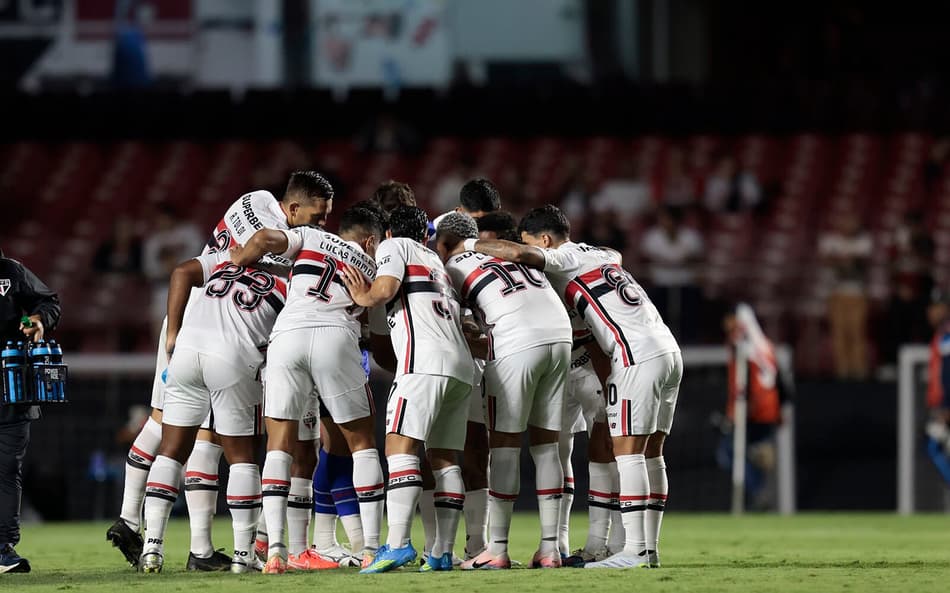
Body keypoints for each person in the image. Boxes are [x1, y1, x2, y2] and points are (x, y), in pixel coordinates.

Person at [106, 171, 334, 569]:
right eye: (316, 218)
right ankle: (233, 551)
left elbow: (203, 262)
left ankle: (162, 541)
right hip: (226, 325)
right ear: (294, 208)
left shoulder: (254, 200)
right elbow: (269, 248)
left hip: (197, 306)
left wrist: (173, 333)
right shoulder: (292, 256)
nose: (319, 227)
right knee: (213, 442)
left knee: (174, 431)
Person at [464, 204, 682, 569]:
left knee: (627, 452)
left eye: (535, 243)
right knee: (651, 454)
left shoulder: (561, 258)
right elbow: (614, 255)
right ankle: (647, 549)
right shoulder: (602, 253)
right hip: (667, 348)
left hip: (632, 355)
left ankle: (634, 551)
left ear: (545, 240)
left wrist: (467, 242)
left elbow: (519, 253)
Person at [230, 207, 386, 574]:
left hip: (287, 336)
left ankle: (276, 553)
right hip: (335, 335)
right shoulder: (371, 266)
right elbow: (378, 340)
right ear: (370, 241)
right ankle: (371, 550)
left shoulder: (311, 236)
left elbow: (267, 239)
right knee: (361, 444)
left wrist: (240, 257)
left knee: (278, 446)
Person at [138, 246, 288, 574]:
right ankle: (243, 555)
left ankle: (152, 548)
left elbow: (183, 274)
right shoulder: (284, 288)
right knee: (241, 458)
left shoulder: (223, 269)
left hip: (187, 353)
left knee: (170, 451)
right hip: (232, 357)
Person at [340, 206, 474, 574]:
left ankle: (397, 544)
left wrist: (362, 295)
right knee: (444, 459)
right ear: (426, 235)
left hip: (423, 362)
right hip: (460, 367)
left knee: (400, 446)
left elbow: (384, 290)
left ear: (387, 234)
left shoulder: (393, 246)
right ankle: (442, 553)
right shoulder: (436, 261)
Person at [437, 213, 572, 570]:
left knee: (505, 446)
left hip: (516, 341)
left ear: (447, 243)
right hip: (560, 338)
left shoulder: (450, 266)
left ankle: (496, 549)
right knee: (546, 447)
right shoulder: (504, 250)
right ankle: (550, 549)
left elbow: (447, 319)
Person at [0, 249, 61, 574]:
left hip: (9, 385)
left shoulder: (10, 272)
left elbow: (47, 303)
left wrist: (36, 321)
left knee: (7, 468)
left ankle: (2, 549)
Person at [716, 304, 782, 509]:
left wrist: (735, 414)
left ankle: (758, 489)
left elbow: (744, 385)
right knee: (738, 455)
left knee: (727, 453)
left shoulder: (743, 345)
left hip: (754, 413)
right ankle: (758, 489)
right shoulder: (763, 344)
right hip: (766, 412)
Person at [818, 216, 872, 379]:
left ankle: (859, 371)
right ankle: (842, 371)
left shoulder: (864, 241)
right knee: (839, 333)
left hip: (857, 293)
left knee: (857, 332)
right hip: (837, 293)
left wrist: (841, 261)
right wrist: (845, 262)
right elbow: (828, 261)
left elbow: (858, 265)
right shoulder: (830, 241)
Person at [639, 206, 704, 341]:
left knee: (689, 312)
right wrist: (676, 262)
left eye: (666, 219)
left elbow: (697, 257)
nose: (664, 222)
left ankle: (689, 340)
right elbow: (647, 257)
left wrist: (669, 261)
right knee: (658, 314)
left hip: (685, 282)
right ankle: (660, 341)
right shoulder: (653, 236)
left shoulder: (690, 236)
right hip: (660, 282)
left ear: (676, 220)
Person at [924, 290, 950, 491]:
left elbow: (948, 372)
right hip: (942, 404)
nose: (931, 312)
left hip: (946, 405)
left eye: (936, 307)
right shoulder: (941, 333)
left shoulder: (947, 333)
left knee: (934, 447)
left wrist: (946, 406)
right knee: (934, 447)